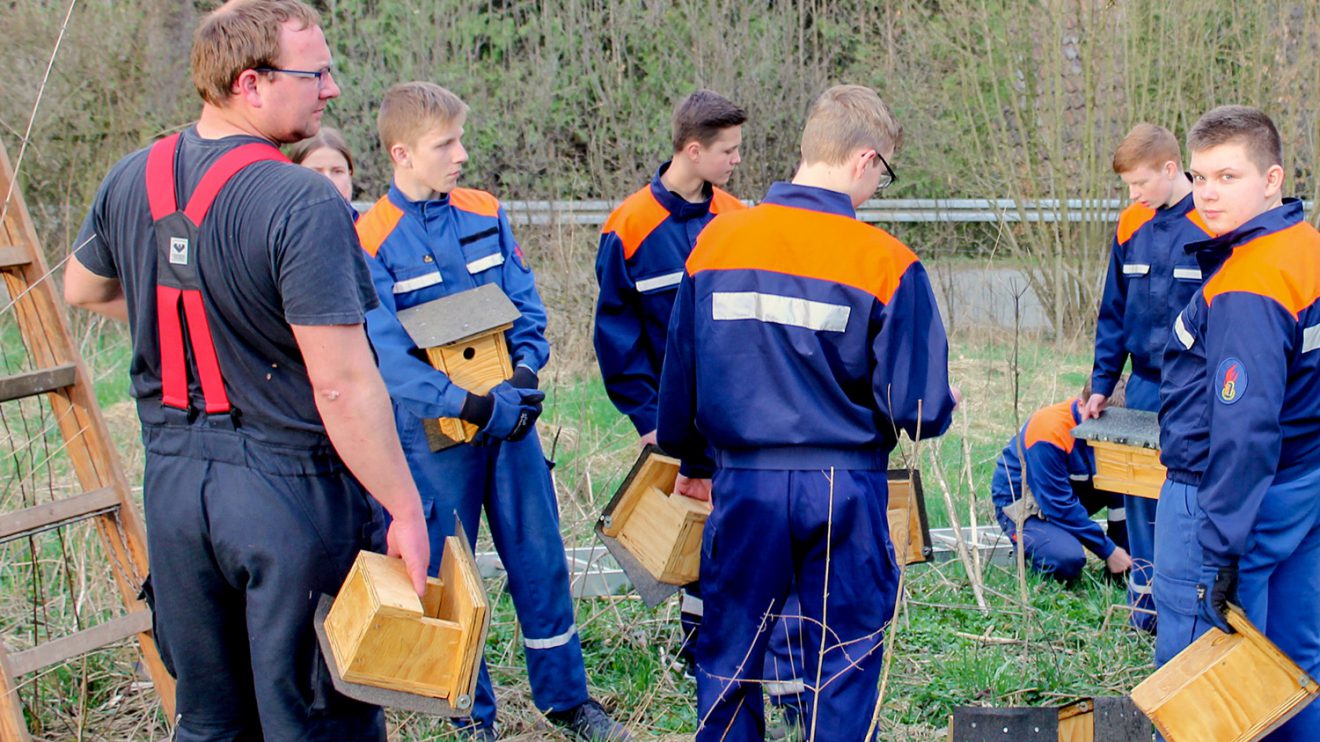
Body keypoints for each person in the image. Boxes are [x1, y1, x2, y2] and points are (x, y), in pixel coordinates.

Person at [61, 2, 430, 739]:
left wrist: (191, 325)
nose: (331, 89)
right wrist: (407, 509)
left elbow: (83, 287)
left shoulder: (131, 175)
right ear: (250, 83)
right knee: (315, 722)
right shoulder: (302, 201)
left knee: (210, 722)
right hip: (287, 493)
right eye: (315, 73)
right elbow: (342, 384)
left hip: (174, 494)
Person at [658, 84, 957, 742]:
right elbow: (918, 410)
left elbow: (681, 372)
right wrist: (939, 403)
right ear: (863, 160)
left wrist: (692, 461)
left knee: (731, 653)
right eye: (883, 174)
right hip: (843, 488)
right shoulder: (886, 263)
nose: (878, 188)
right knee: (843, 660)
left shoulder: (717, 243)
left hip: (744, 483)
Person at [355, 81, 629, 742]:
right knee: (449, 574)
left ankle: (566, 702)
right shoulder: (369, 238)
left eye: (460, 139)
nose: (462, 154)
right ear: (402, 153)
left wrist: (524, 381)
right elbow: (389, 360)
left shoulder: (485, 211)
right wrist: (473, 405)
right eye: (445, 144)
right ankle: (469, 715)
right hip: (436, 437)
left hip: (512, 426)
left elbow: (529, 311)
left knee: (540, 558)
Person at [591, 88, 765, 709]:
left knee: (742, 529)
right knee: (692, 532)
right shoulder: (630, 226)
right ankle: (702, 646)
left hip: (739, 414)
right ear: (693, 150)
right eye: (728, 151)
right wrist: (647, 418)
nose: (736, 161)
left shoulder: (738, 216)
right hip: (674, 420)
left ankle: (758, 645)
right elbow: (616, 338)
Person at [1165, 105, 1320, 739]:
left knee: (1207, 678)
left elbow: (1243, 425)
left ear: (1273, 178)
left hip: (1226, 497)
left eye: (1228, 177)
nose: (1208, 194)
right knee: (1292, 660)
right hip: (1301, 483)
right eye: (1199, 178)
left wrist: (1218, 553)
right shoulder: (1304, 249)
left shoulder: (1251, 280)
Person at [1080, 123, 1212, 631]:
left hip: (1196, 388)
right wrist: (1100, 384)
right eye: (1128, 187)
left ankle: (1191, 613)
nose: (1134, 195)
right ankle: (1145, 612)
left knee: (1186, 497)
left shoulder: (1210, 222)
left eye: (1140, 184)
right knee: (1138, 495)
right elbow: (1112, 313)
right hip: (1142, 385)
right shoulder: (1130, 224)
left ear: (1170, 168)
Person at [991, 388, 1132, 583]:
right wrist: (1108, 550)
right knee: (1066, 560)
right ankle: (1039, 558)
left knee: (1128, 488)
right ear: (1083, 405)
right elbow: (1057, 505)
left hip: (1072, 490)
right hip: (1028, 502)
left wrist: (1124, 555)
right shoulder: (1048, 432)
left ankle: (1117, 574)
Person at [287, 125, 356, 208]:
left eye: (337, 171)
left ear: (350, 174)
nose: (329, 181)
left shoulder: (370, 220)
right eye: (315, 173)